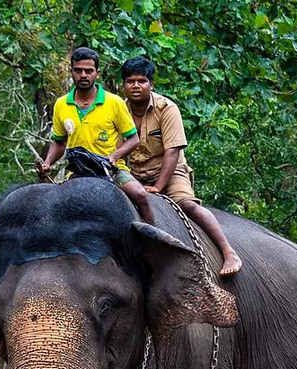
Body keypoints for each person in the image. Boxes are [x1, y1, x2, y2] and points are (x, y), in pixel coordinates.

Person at [119, 56, 242, 275]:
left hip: (170, 171)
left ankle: (228, 251)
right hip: (135, 173)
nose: (136, 86)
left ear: (151, 84)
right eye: (130, 81)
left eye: (141, 81)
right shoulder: (118, 110)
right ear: (124, 85)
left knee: (188, 205)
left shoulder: (166, 108)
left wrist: (159, 186)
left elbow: (173, 151)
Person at [38, 47, 155, 224]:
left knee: (140, 196)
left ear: (97, 73)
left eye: (88, 71)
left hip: (111, 171)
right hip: (78, 171)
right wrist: (47, 164)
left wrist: (114, 156)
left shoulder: (113, 102)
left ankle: (152, 240)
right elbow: (59, 142)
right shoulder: (61, 104)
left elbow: (133, 139)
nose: (83, 75)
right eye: (78, 70)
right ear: (72, 72)